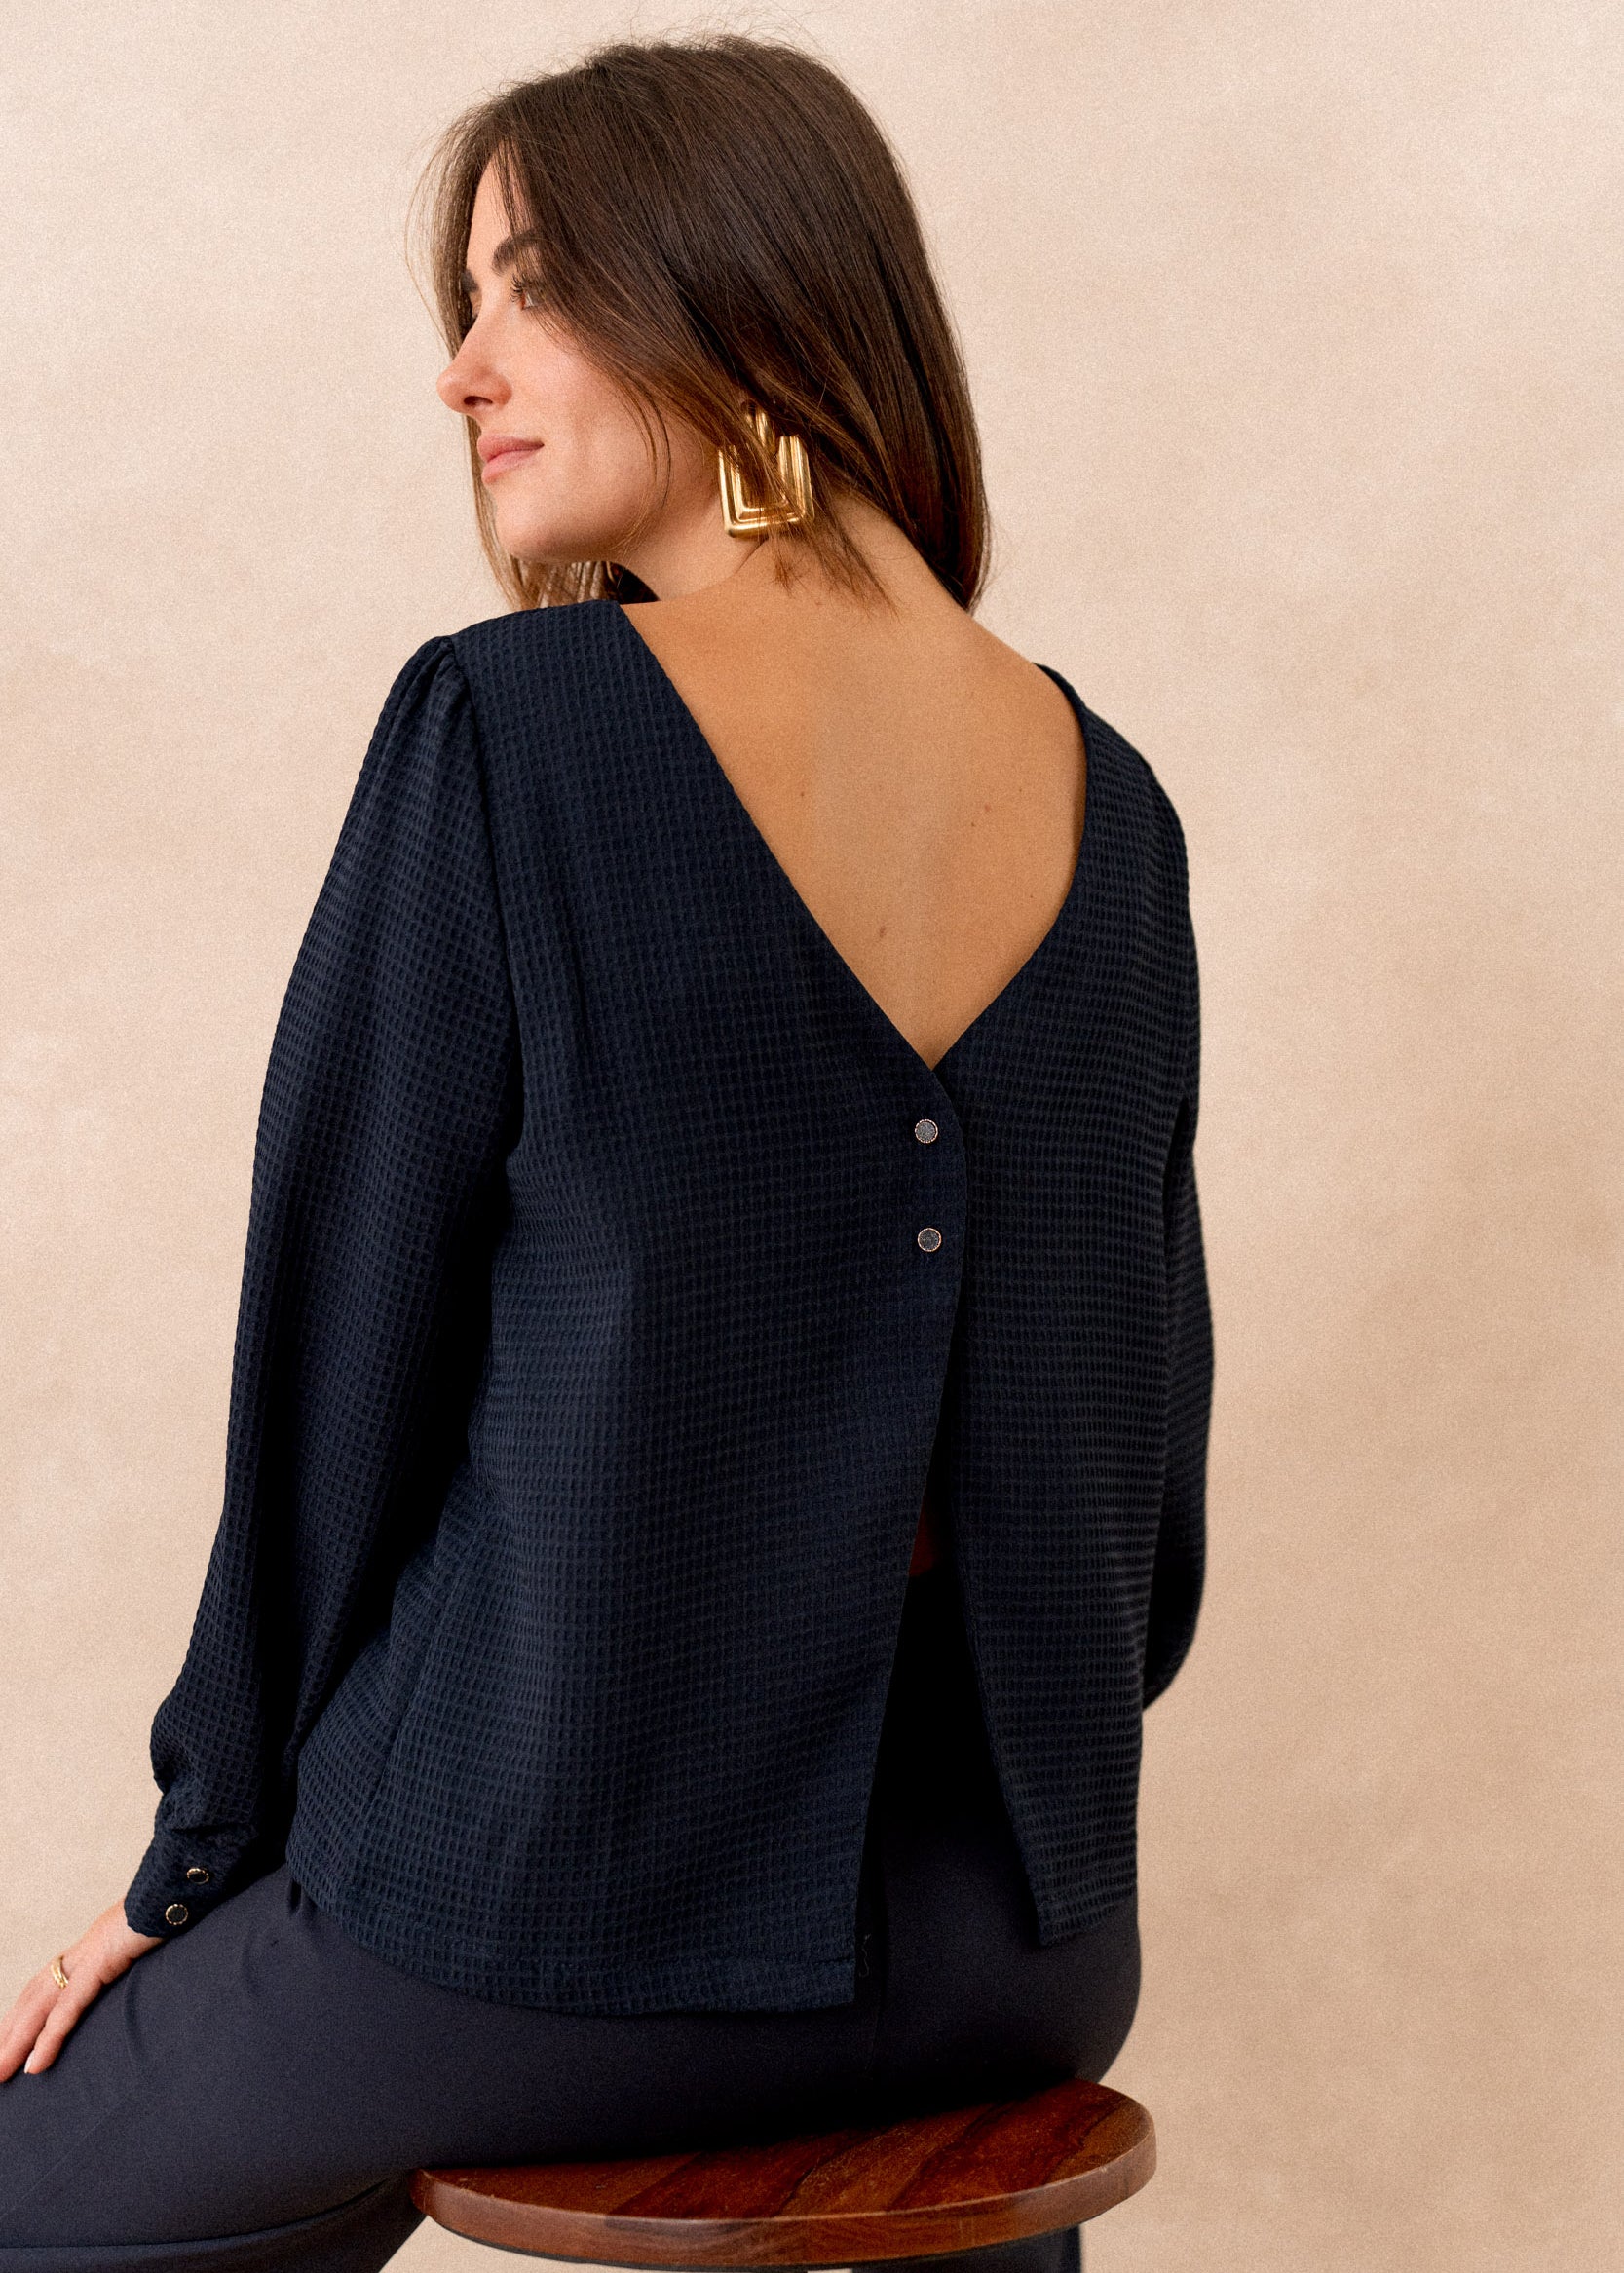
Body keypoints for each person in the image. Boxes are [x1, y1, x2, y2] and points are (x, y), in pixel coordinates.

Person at [0, 31, 1211, 2271]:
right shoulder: (1116, 807)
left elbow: (335, 1388)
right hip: (1025, 1956)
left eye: (531, 288)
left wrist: (193, 1869)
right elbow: (1146, 1534)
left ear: (735, 294)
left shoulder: (507, 736)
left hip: (557, 1939)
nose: (461, 369)